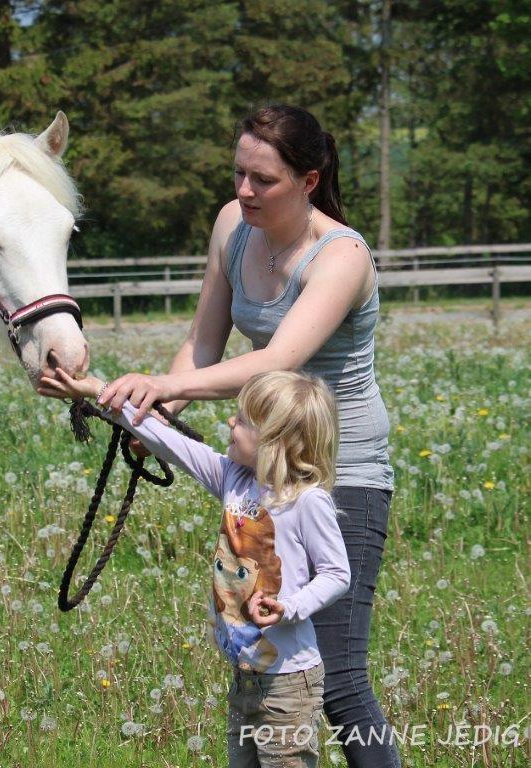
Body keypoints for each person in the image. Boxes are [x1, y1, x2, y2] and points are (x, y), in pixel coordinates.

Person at [93, 105, 399, 767]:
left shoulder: (340, 255)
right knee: (263, 658)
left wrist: (163, 390)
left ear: (308, 181)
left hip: (339, 468)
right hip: (264, 461)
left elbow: (274, 358)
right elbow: (202, 343)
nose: (242, 190)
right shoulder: (233, 227)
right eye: (238, 172)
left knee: (338, 678)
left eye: (262, 179)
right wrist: (159, 418)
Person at [40, 368, 351, 767]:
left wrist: (289, 607)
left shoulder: (307, 501)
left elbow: (337, 573)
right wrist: (95, 390)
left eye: (241, 420)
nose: (229, 421)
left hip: (289, 682)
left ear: (276, 440)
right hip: (246, 676)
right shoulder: (232, 478)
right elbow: (166, 440)